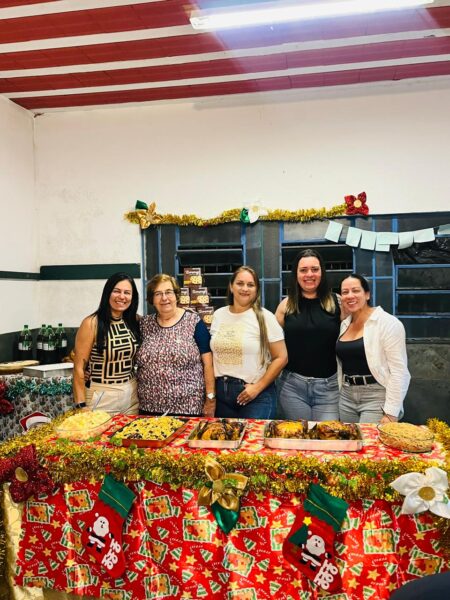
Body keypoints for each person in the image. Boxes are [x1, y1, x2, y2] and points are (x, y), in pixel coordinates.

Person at [210, 266, 287, 419]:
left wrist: (257, 388)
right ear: (231, 286)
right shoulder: (219, 315)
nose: (245, 288)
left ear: (256, 290)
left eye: (250, 285)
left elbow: (281, 357)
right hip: (222, 396)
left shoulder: (265, 317)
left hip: (256, 396)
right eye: (240, 283)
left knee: (253, 435)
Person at [275, 249, 342, 421]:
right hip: (292, 388)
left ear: (322, 272)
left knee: (327, 436)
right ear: (296, 274)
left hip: (329, 389)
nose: (309, 274)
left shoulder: (338, 303)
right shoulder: (285, 306)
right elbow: (272, 347)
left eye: (315, 269)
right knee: (297, 435)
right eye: (303, 270)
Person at [136, 274, 215, 416]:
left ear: (176, 295)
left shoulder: (193, 321)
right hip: (148, 407)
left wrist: (210, 399)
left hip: (188, 408)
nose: (164, 298)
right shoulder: (144, 324)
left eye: (168, 292)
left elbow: (208, 364)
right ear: (152, 299)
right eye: (158, 294)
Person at [336, 273, 410, 423]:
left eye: (355, 290)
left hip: (376, 396)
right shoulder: (344, 324)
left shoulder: (388, 323)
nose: (350, 296)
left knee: (369, 438)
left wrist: (391, 412)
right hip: (346, 396)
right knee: (349, 438)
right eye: (345, 292)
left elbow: (399, 371)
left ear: (367, 294)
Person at [73, 272, 140, 415]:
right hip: (101, 394)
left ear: (133, 297)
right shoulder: (91, 323)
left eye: (127, 293)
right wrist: (81, 405)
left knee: (131, 430)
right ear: (107, 293)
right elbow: (79, 368)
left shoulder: (135, 321)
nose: (122, 296)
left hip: (132, 394)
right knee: (100, 431)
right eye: (116, 291)